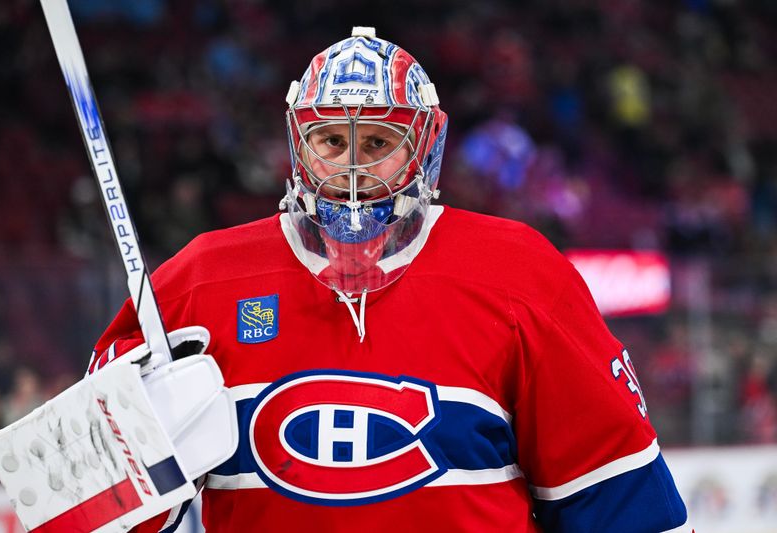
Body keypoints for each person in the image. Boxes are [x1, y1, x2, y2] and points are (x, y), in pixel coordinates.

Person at [90, 27, 691, 532]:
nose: (352, 165)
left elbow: (620, 503)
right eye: (331, 141)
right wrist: (136, 446)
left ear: (425, 146)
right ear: (300, 146)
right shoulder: (198, 283)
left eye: (378, 142)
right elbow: (96, 508)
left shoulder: (520, 277)